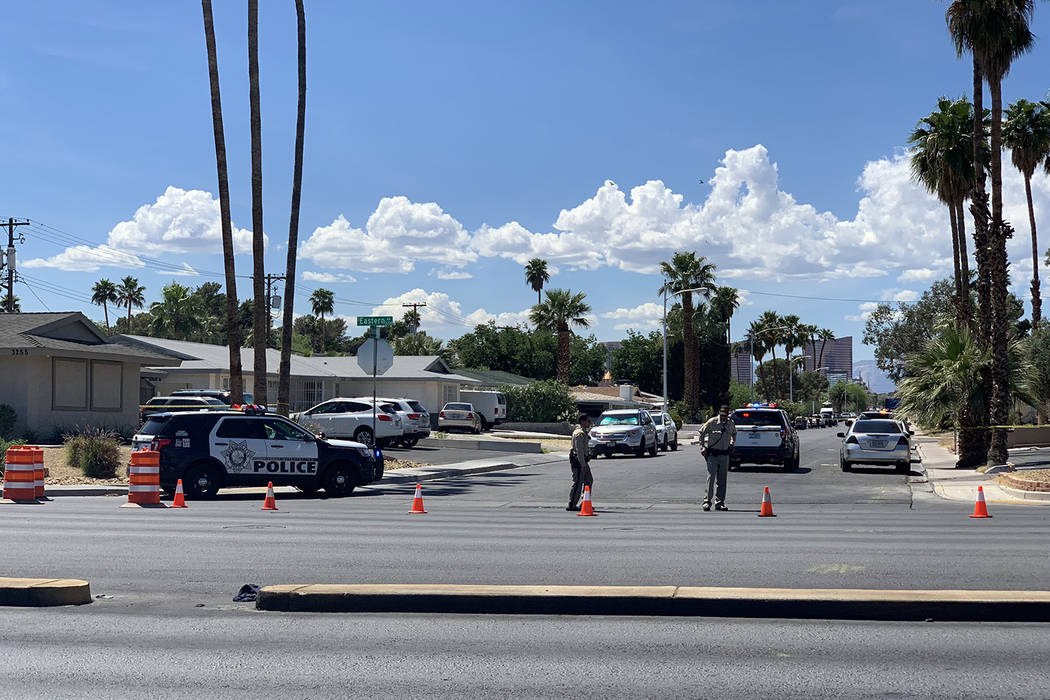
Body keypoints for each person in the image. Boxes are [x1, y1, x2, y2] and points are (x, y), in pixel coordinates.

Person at [699, 404, 736, 511]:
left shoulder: (730, 423)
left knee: (722, 480)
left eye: (725, 415)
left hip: (724, 455)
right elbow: (701, 432)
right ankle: (707, 502)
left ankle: (720, 503)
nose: (723, 417)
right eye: (722, 415)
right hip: (713, 455)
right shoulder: (712, 422)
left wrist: (732, 444)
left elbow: (734, 434)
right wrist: (702, 447)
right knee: (710, 479)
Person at [567, 414, 593, 511]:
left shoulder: (584, 432)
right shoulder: (579, 433)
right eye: (588, 421)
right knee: (578, 482)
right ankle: (572, 504)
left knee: (589, 481)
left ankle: (585, 502)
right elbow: (579, 450)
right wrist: (582, 464)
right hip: (579, 462)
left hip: (583, 461)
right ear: (582, 422)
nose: (589, 423)